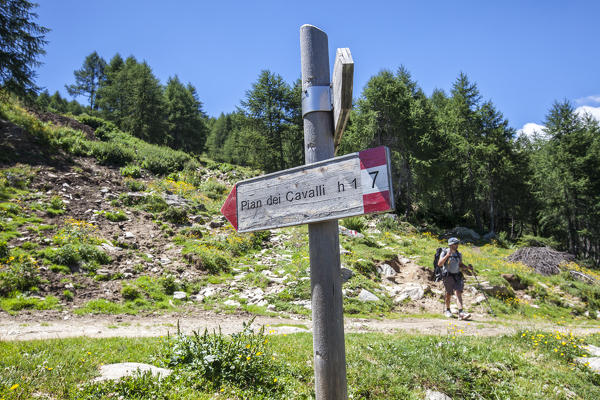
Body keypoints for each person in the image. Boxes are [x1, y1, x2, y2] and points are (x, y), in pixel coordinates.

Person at [438, 237, 473, 320]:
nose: (457, 245)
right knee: (448, 293)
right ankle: (447, 310)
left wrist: (467, 268)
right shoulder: (444, 252)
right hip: (448, 275)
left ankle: (461, 312)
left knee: (458, 293)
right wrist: (447, 255)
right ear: (450, 245)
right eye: (455, 244)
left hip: (457, 275)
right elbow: (439, 264)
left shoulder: (458, 254)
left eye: (457, 243)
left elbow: (460, 264)